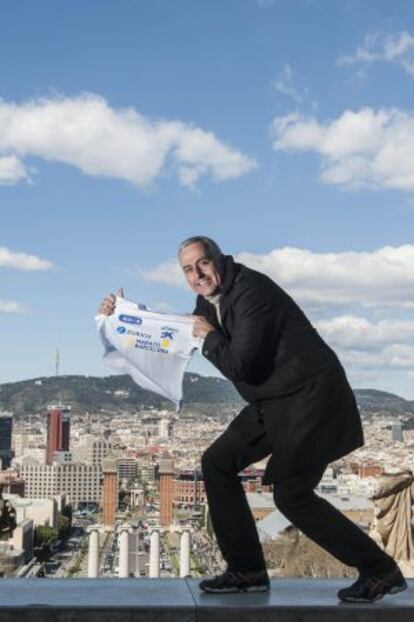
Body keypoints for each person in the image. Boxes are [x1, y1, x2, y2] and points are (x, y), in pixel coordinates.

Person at [99, 236, 407, 603]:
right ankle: (247, 571)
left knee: (291, 495)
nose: (197, 274)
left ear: (218, 259)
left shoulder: (251, 293)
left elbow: (239, 363)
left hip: (311, 398)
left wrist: (208, 336)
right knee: (217, 462)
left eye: (203, 263)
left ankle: (380, 570)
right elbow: (186, 330)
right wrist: (127, 315)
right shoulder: (210, 298)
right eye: (188, 269)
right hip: (274, 399)